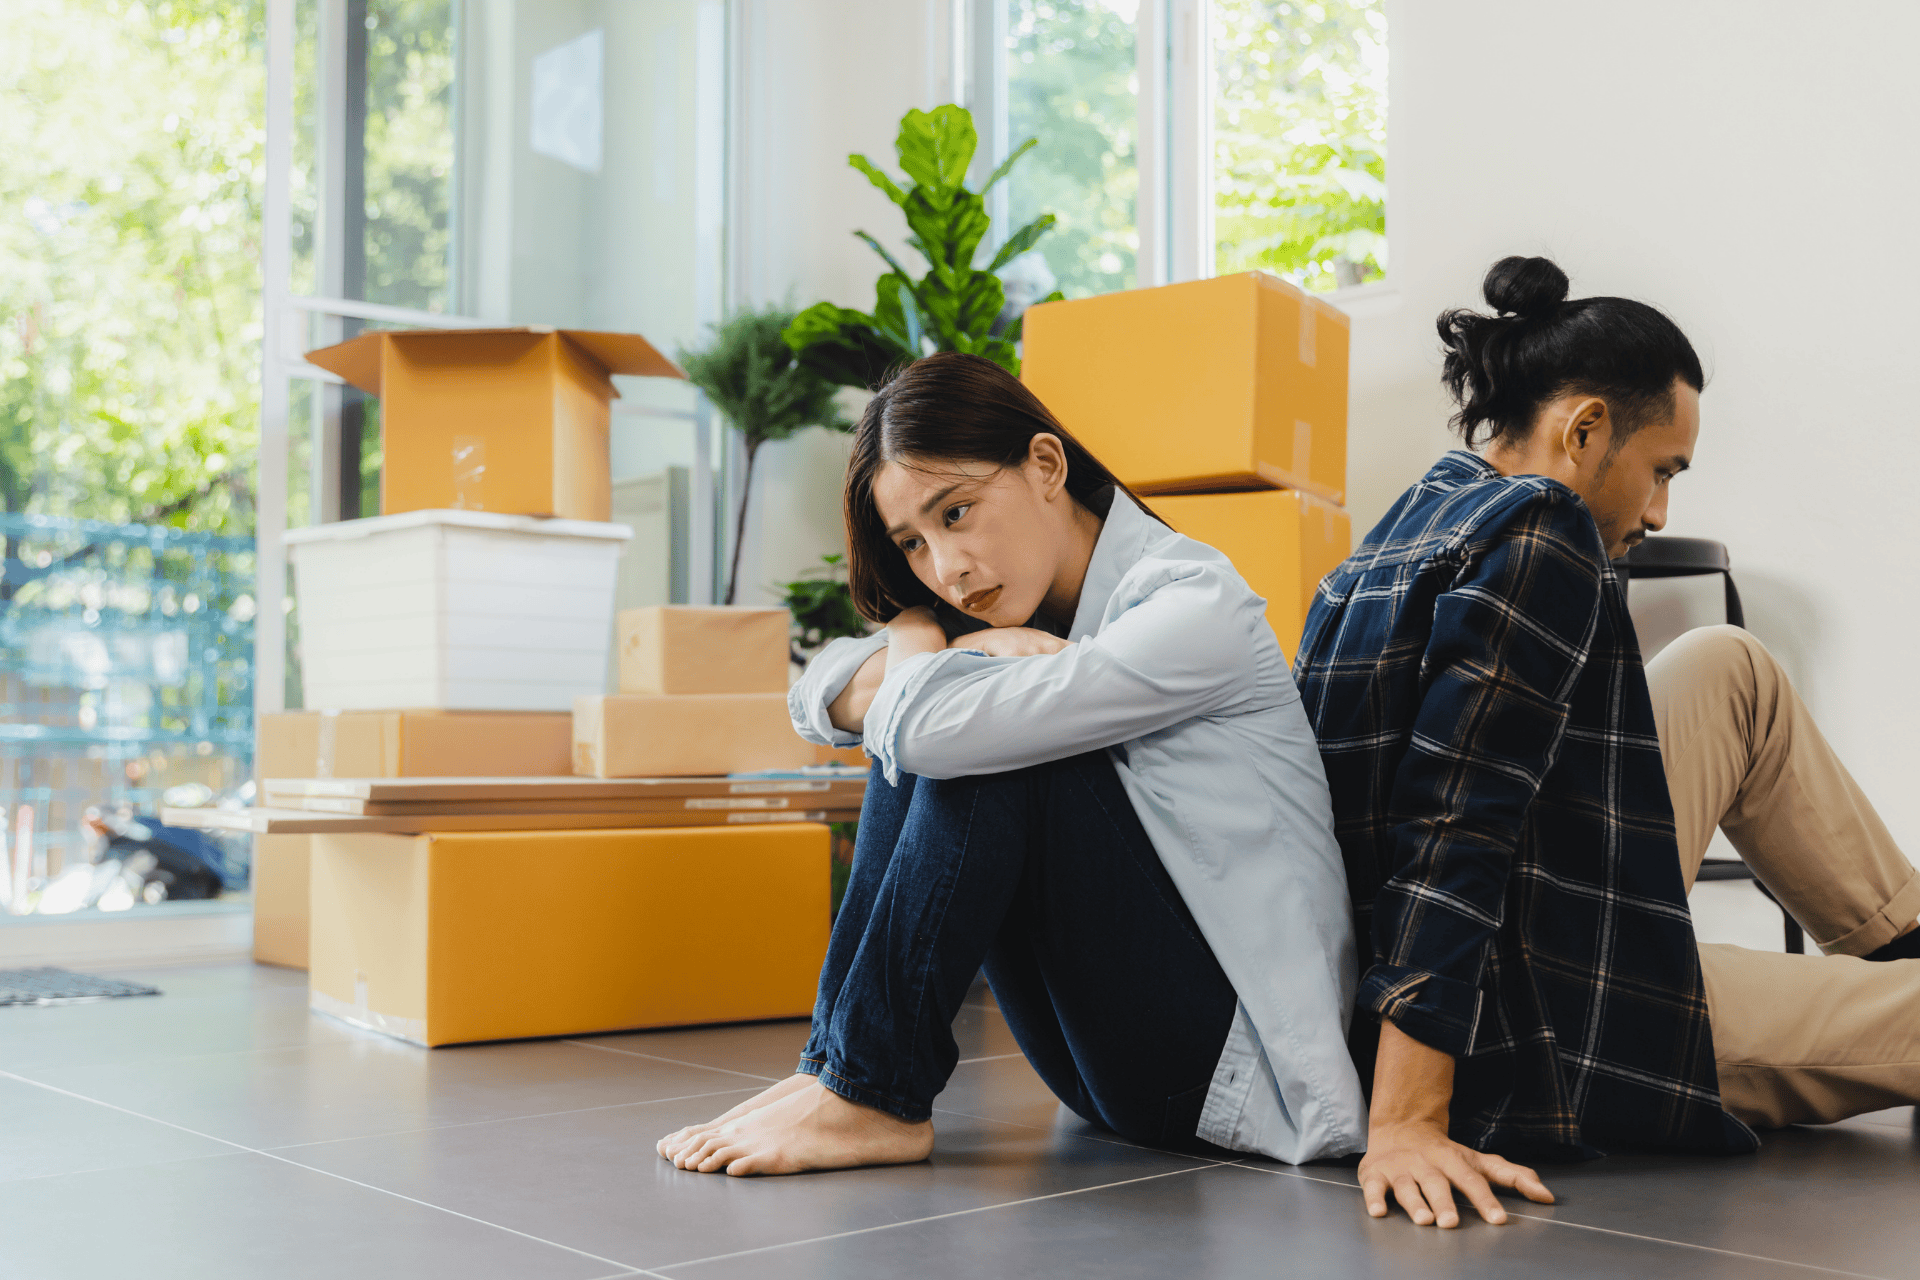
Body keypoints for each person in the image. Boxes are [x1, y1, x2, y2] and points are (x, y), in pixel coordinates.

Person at [1294, 255, 1920, 1230]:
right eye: (1662, 470)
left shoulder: (1415, 518)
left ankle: (1904, 947)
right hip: (1540, 1021)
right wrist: (1409, 1117)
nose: (1662, 511)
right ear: (1584, 428)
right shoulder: (1541, 531)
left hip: (1525, 922)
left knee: (1726, 664)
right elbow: (1453, 835)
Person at [656, 351, 1367, 1175]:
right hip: (1103, 1067)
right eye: (912, 544)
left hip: (1240, 1072)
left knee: (977, 736)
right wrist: (935, 638)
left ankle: (870, 1092)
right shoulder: (1018, 616)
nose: (945, 569)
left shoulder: (1192, 603)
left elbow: (919, 728)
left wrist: (921, 640)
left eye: (956, 513)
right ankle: (837, 1073)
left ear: (1045, 465)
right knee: (957, 713)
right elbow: (814, 695)